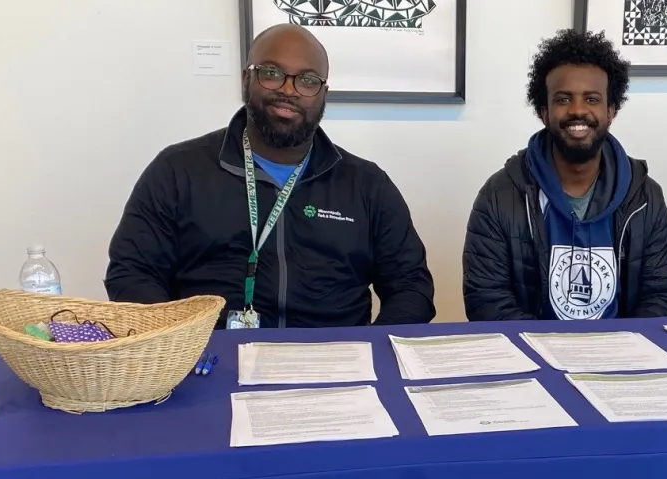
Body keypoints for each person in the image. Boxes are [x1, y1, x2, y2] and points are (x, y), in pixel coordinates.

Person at [105, 24, 435, 328]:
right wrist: (176, 346)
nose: (289, 90)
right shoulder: (178, 170)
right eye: (272, 73)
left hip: (335, 364)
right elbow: (133, 272)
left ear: (323, 95)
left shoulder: (366, 184)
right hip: (210, 358)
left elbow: (411, 287)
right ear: (246, 79)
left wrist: (371, 352)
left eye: (307, 80)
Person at [462, 29, 667, 321]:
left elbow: (660, 295)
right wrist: (550, 350)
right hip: (534, 356)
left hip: (620, 352)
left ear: (610, 111)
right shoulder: (501, 194)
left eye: (591, 99)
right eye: (563, 99)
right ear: (544, 112)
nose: (578, 110)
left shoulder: (644, 196)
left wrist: (622, 349)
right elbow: (486, 300)